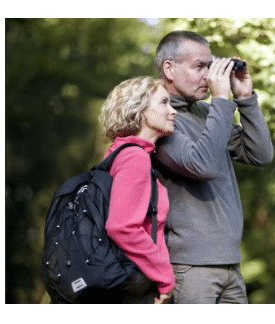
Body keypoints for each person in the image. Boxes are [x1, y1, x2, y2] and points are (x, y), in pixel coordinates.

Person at [153, 30, 274, 303]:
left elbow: (260, 154)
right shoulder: (160, 120)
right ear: (169, 69)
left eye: (210, 66)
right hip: (190, 266)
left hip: (230, 261)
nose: (208, 76)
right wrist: (221, 101)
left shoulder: (207, 114)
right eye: (199, 67)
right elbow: (202, 165)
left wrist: (245, 99)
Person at [99, 76, 177, 303]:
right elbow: (121, 226)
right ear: (140, 109)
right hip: (137, 286)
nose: (173, 111)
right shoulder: (134, 157)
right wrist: (164, 278)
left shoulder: (119, 152)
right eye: (164, 103)